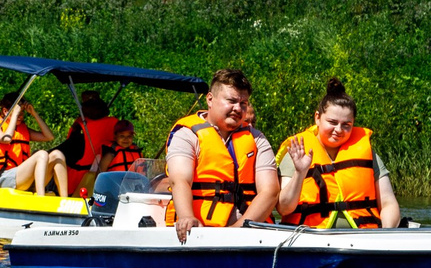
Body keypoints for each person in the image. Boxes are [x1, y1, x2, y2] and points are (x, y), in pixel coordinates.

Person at [165, 67, 279, 242]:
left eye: (243, 103)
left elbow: (270, 190)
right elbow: (180, 179)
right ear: (210, 99)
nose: (238, 108)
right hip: (200, 231)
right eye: (231, 101)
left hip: (246, 231)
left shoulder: (257, 139)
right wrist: (187, 216)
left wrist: (238, 230)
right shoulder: (187, 134)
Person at [279, 77, 403, 230]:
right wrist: (299, 172)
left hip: (363, 239)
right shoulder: (297, 151)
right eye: (332, 122)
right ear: (317, 118)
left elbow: (388, 203)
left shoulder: (368, 152)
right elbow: (284, 208)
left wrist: (384, 234)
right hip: (309, 238)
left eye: (346, 125)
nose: (338, 130)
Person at [0, 92, 71, 197]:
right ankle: (40, 198)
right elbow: (6, 139)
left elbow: (49, 136)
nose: (20, 116)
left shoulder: (23, 130)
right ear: (5, 111)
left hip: (24, 178)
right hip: (6, 179)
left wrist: (34, 113)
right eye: (18, 113)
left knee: (57, 155)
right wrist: (14, 114)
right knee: (41, 154)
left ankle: (64, 200)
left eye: (22, 113)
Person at [62, 89, 122, 195]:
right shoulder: (114, 123)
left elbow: (68, 151)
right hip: (109, 178)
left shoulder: (80, 124)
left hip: (76, 181)